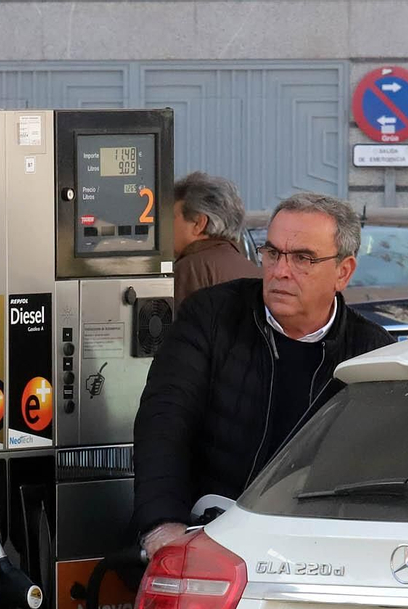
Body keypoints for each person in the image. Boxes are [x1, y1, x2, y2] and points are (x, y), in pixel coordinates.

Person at [134, 192, 394, 553]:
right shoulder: (211, 316)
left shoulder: (370, 355)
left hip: (321, 549)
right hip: (210, 537)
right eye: (272, 253)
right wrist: (163, 526)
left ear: (343, 272)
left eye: (303, 258)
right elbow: (164, 421)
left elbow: (382, 472)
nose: (280, 271)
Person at [171, 171, 258, 307]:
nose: (165, 227)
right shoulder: (253, 271)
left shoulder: (190, 269)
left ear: (199, 223)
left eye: (172, 218)